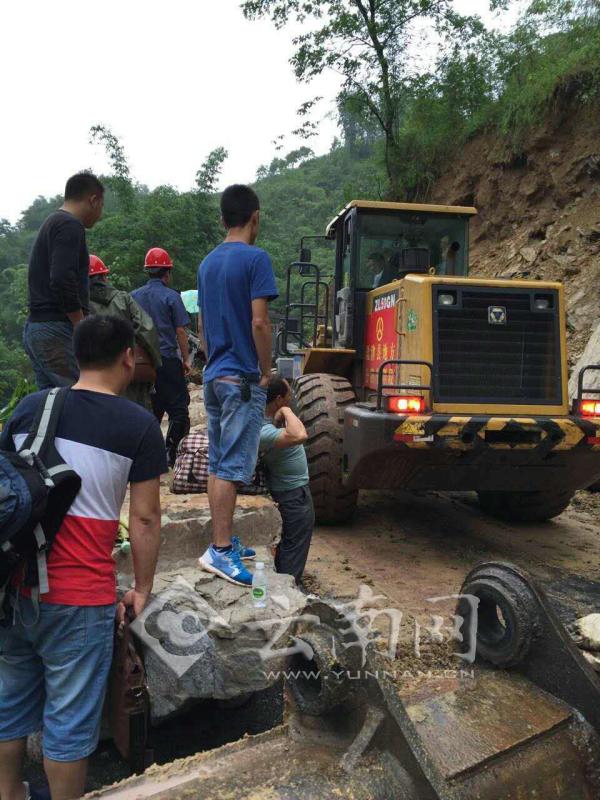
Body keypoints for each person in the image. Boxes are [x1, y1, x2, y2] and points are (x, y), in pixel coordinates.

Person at [0, 314, 167, 800]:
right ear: (129, 358)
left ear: (75, 358)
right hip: (81, 600)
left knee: (8, 708)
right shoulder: (139, 426)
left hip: (13, 586)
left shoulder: (31, 409)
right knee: (69, 723)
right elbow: (145, 520)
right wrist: (142, 588)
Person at [197, 184, 279, 587]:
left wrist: (213, 359)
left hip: (214, 375)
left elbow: (201, 324)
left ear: (222, 219)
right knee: (230, 466)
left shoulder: (207, 263)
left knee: (217, 462)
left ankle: (222, 541)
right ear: (255, 217)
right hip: (241, 379)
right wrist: (265, 370)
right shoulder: (256, 259)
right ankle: (221, 551)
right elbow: (260, 321)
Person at [23, 173, 105, 390]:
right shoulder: (69, 225)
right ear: (93, 200)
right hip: (57, 330)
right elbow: (60, 277)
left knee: (52, 403)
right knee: (83, 395)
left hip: (38, 328)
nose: (100, 214)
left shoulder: (52, 222)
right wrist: (80, 324)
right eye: (101, 206)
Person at [131, 248, 191, 467]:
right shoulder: (172, 296)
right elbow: (181, 332)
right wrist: (186, 359)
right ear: (166, 272)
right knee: (178, 409)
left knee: (150, 409)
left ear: (148, 272)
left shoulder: (133, 296)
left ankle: (148, 456)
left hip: (143, 364)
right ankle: (170, 453)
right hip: (167, 360)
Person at [88, 254, 162, 410]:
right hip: (128, 368)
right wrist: (154, 362)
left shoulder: (80, 307)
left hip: (97, 375)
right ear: (103, 276)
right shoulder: (123, 298)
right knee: (139, 415)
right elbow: (146, 328)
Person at [260, 376, 314, 586]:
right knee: (295, 542)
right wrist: (287, 412)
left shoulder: (268, 424)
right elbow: (301, 435)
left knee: (295, 540)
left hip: (294, 491)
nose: (292, 399)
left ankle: (287, 582)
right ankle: (288, 588)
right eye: (290, 395)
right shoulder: (264, 430)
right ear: (279, 399)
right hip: (292, 493)